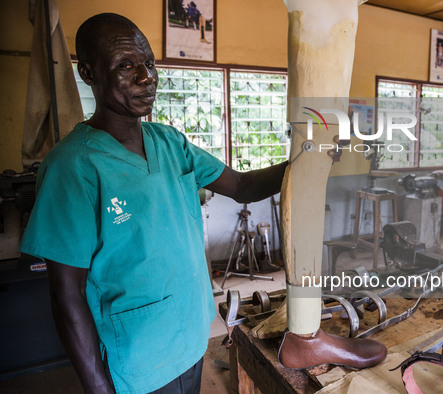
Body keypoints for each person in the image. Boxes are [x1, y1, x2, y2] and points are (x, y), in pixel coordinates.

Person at [19, 13, 287, 394]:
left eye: (148, 63)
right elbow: (66, 295)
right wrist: (98, 387)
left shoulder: (169, 143)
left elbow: (242, 186)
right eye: (126, 66)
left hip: (192, 336)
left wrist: (303, 163)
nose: (146, 77)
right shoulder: (73, 166)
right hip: (138, 359)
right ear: (89, 74)